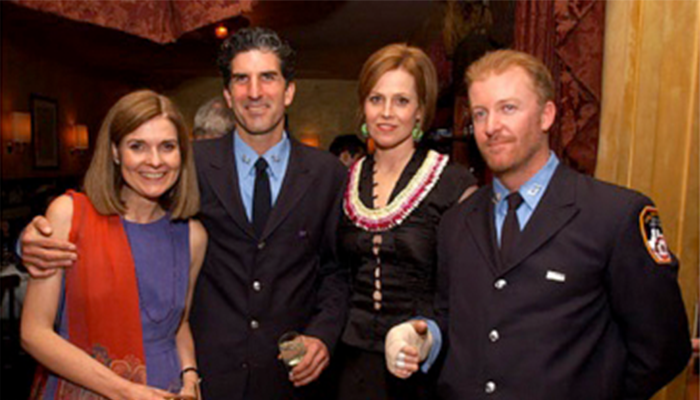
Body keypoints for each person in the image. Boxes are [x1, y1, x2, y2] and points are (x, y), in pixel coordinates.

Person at [17, 28, 349, 400]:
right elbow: (109, 211)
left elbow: (336, 269)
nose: (255, 92)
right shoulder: (188, 164)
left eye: (268, 77)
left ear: (289, 91)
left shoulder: (328, 174)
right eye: (241, 79)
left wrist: (322, 334)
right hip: (204, 376)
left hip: (286, 378)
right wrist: (30, 240)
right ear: (227, 94)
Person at [385, 49, 692, 399]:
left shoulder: (615, 215)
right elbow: (452, 317)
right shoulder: (456, 223)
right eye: (481, 113)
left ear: (546, 115)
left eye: (508, 108)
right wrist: (427, 338)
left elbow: (663, 348)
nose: (491, 127)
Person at [20, 90, 207, 399]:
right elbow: (33, 333)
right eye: (137, 146)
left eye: (168, 147)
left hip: (165, 388)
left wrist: (190, 378)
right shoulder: (70, 215)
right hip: (86, 388)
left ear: (181, 155)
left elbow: (179, 323)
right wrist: (125, 391)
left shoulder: (193, 235)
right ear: (116, 152)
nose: (155, 161)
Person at [331, 44, 476, 400]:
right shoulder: (342, 180)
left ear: (420, 112)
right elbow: (331, 273)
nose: (386, 113)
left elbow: (468, 293)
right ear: (363, 106)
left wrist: (425, 332)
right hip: (349, 362)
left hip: (421, 367)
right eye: (376, 99)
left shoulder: (455, 185)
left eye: (401, 101)